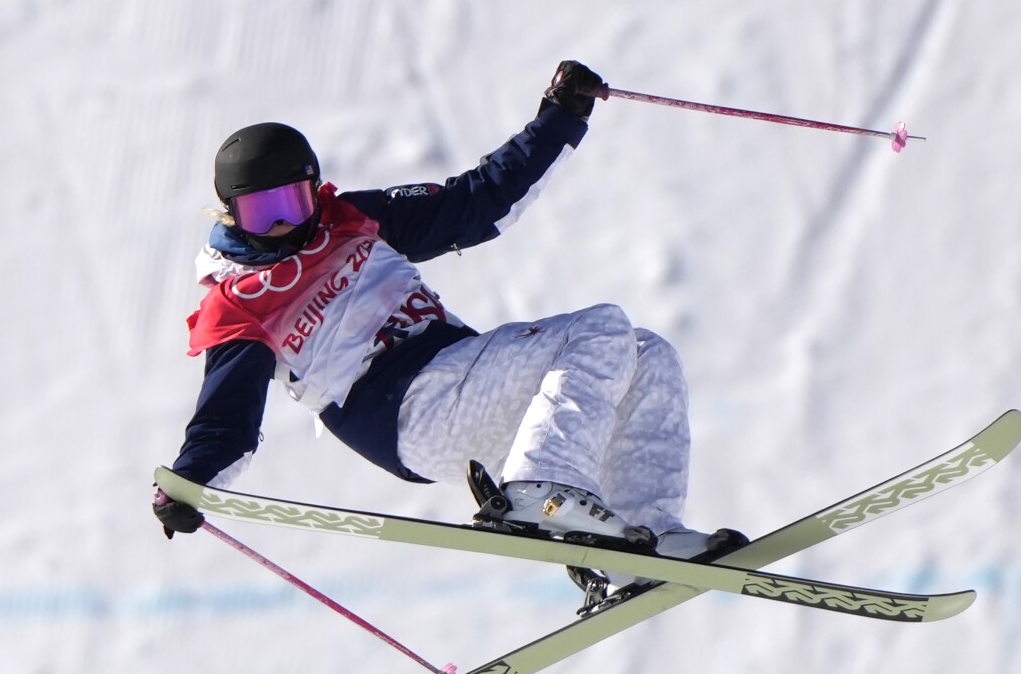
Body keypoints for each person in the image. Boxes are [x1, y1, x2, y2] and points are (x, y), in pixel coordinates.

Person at [153, 61, 747, 607]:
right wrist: (188, 483)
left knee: (645, 353)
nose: (284, 224)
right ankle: (542, 494)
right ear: (231, 213)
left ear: (315, 190)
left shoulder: (354, 220)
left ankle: (646, 541)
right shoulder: (239, 303)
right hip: (402, 411)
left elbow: (476, 200)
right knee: (600, 329)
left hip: (462, 382)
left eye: (293, 201)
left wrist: (560, 117)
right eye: (263, 213)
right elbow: (224, 422)